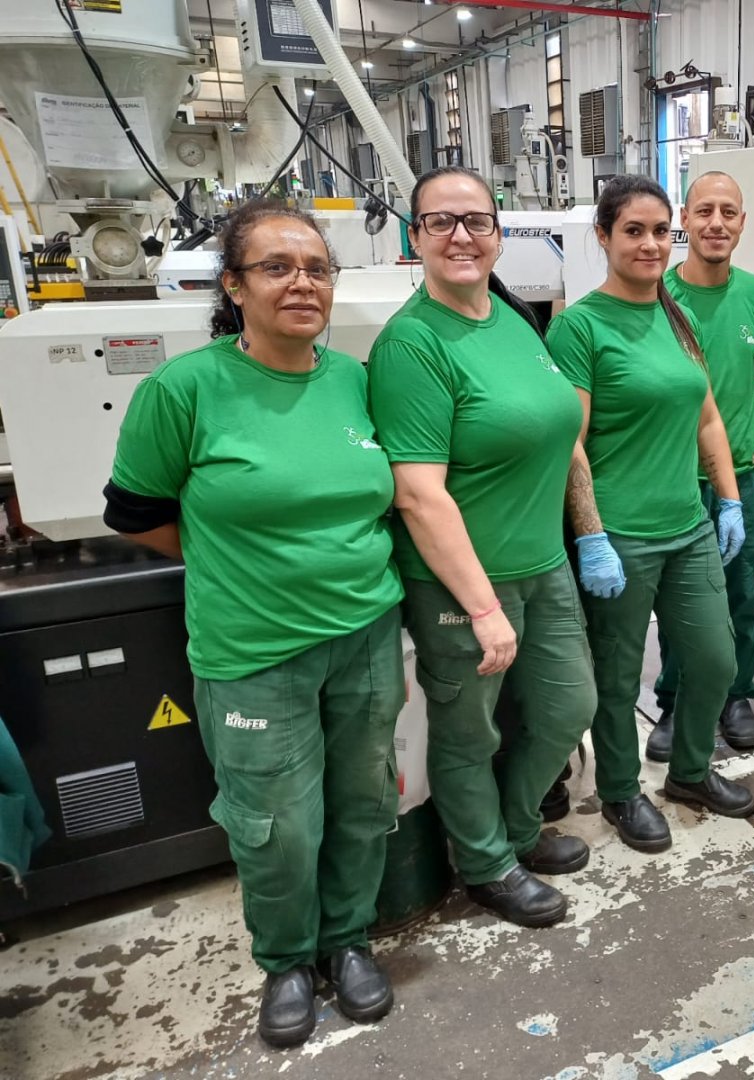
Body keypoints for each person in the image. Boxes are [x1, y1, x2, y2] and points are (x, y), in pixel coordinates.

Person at [103, 202, 404, 1048]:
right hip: (252, 651)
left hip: (366, 633)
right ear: (233, 286)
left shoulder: (353, 380)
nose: (302, 283)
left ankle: (348, 941)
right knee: (277, 826)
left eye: (316, 268)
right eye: (277, 267)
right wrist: (231, 558)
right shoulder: (184, 390)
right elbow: (134, 514)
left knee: (361, 801)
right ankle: (286, 959)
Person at [367, 166, 598, 928]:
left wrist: (588, 535)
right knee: (468, 733)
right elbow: (418, 494)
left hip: (543, 562)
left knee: (568, 706)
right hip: (464, 582)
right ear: (415, 237)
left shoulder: (511, 320)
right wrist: (481, 606)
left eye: (477, 220)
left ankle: (519, 828)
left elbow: (557, 432)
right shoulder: (412, 345)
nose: (461, 235)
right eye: (441, 221)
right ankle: (487, 862)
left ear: (499, 235)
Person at [546, 175, 754, 853]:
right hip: (622, 534)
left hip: (688, 527)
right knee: (616, 677)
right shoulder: (580, 327)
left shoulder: (676, 315)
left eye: (661, 231)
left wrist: (728, 498)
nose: (650, 244)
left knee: (716, 660)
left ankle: (690, 771)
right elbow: (570, 442)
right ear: (603, 236)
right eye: (633, 230)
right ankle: (620, 791)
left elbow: (707, 418)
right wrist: (591, 536)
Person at [647, 171, 754, 762]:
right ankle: (675, 699)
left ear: (743, 223)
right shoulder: (657, 296)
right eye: (704, 211)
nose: (716, 223)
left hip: (742, 477)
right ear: (685, 220)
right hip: (675, 476)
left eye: (728, 212)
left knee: (743, 589)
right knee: (680, 600)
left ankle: (736, 695)